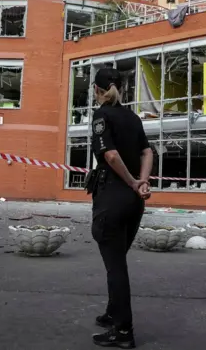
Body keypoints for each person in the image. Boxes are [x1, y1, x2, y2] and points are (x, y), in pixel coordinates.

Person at [87, 67, 153, 349]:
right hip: (133, 202)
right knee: (117, 260)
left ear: (97, 91)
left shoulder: (101, 115)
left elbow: (110, 155)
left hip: (113, 197)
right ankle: (112, 313)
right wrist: (142, 183)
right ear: (122, 90)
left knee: (115, 266)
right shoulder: (133, 117)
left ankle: (123, 330)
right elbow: (147, 151)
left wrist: (130, 181)